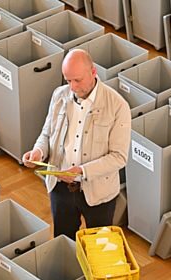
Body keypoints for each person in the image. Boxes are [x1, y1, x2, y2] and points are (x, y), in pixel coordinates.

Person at [22, 49, 131, 240]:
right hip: (61, 188)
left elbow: (119, 157)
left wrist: (81, 171)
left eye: (77, 80)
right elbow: (47, 134)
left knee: (98, 248)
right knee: (63, 242)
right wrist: (38, 151)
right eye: (67, 80)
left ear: (93, 72)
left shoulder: (118, 106)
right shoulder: (59, 96)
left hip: (98, 194)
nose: (72, 87)